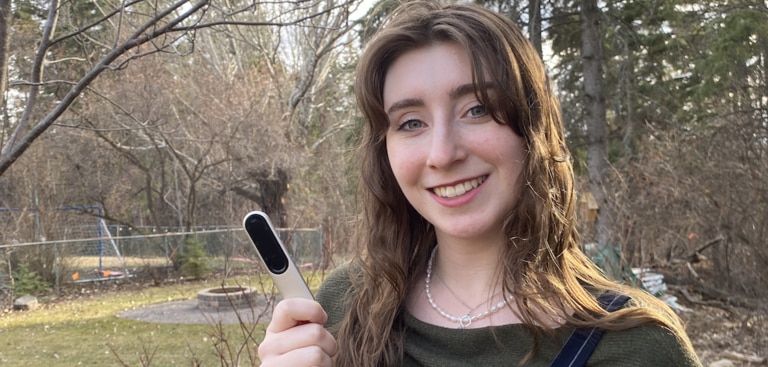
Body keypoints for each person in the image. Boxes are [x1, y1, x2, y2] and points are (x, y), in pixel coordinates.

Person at [257, 1, 703, 366]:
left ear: (532, 130)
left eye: (477, 109)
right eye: (411, 122)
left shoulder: (641, 347)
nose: (442, 154)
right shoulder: (343, 308)